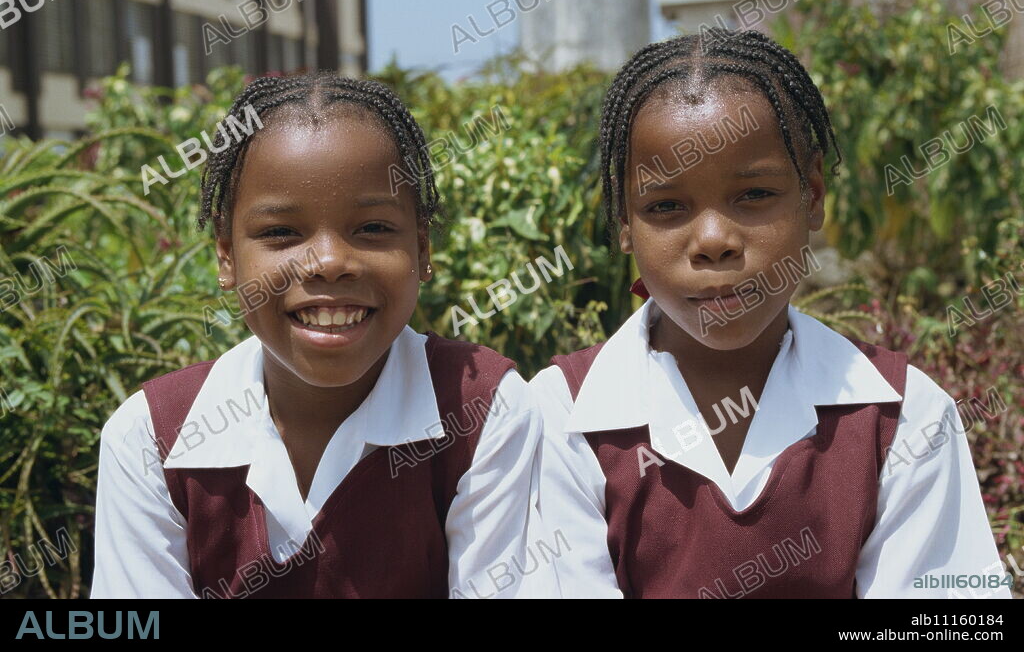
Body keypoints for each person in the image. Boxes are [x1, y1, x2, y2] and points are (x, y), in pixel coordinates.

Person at [533, 30, 1011, 599]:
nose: (713, 241)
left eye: (754, 195)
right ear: (624, 222)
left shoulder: (904, 418)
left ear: (811, 195)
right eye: (665, 206)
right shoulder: (559, 418)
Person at [92, 72, 543, 599]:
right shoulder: (150, 439)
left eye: (373, 228)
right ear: (227, 255)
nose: (329, 263)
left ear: (423, 248)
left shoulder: (484, 413)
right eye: (281, 232)